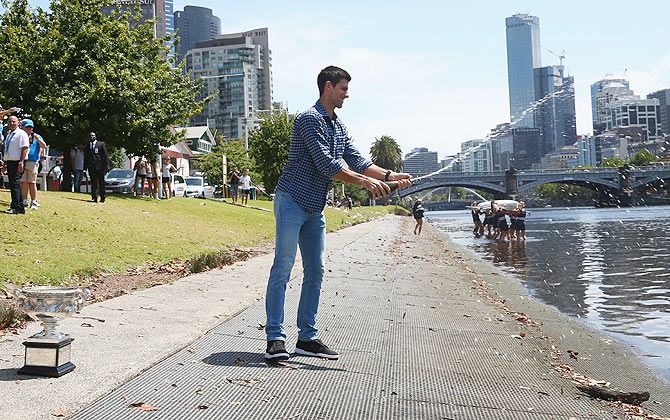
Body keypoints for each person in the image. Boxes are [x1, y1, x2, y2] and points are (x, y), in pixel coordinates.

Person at [263, 65, 411, 362]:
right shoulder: (308, 119)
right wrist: (368, 182)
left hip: (314, 207)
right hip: (291, 200)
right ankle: (275, 339)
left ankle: (306, 338)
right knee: (283, 267)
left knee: (316, 271)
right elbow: (327, 165)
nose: (347, 94)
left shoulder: (338, 126)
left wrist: (390, 175)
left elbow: (357, 160)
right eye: (343, 88)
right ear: (328, 87)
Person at [2, 116, 29, 214]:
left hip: (18, 161)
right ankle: (20, 207)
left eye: (13, 121)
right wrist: (5, 163)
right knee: (14, 184)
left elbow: (25, 148)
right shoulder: (9, 134)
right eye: (9, 122)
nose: (11, 123)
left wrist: (21, 162)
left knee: (14, 184)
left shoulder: (21, 134)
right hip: (10, 161)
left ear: (18, 123)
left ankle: (15, 207)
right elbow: (7, 150)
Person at [19, 119, 47, 209]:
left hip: (33, 162)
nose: (29, 129)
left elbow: (44, 146)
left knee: (32, 182)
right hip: (23, 161)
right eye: (27, 127)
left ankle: (34, 201)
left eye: (31, 127)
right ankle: (24, 200)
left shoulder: (36, 136)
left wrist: (38, 139)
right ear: (22, 127)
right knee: (23, 182)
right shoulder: (21, 136)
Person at [83, 132, 110, 203]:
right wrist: (84, 169)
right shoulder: (87, 146)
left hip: (100, 167)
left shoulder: (101, 144)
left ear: (95, 137)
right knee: (93, 182)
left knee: (101, 183)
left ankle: (102, 197)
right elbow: (86, 158)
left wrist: (107, 165)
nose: (91, 137)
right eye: (90, 136)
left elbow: (105, 155)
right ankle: (94, 197)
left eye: (93, 136)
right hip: (91, 167)